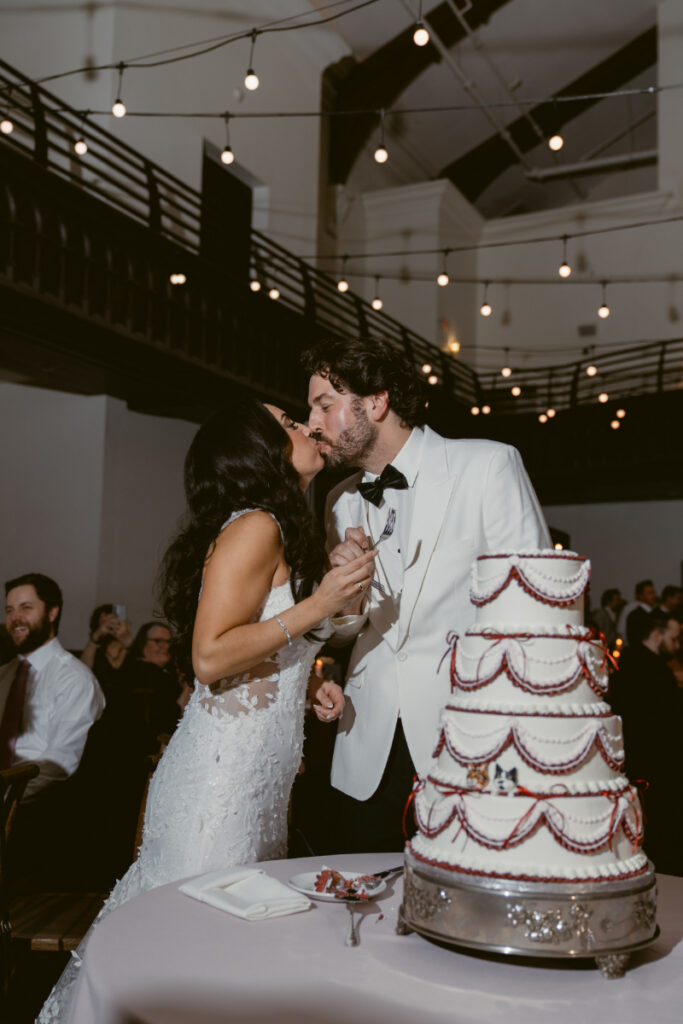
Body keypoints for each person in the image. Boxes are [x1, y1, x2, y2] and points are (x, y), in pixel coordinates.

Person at [38, 394, 375, 1022]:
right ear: (259, 450)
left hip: (253, 790)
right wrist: (322, 602)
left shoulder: (282, 527)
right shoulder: (257, 526)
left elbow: (260, 645)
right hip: (216, 794)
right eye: (287, 423)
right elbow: (210, 657)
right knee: (194, 962)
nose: (305, 426)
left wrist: (306, 684)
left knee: (224, 964)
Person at [303, 336, 550, 853]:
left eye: (325, 405)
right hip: (367, 743)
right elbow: (342, 635)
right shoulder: (338, 502)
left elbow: (537, 609)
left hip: (468, 740)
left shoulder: (487, 465)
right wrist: (345, 597)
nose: (314, 425)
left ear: (376, 402)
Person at [0, 573, 104, 800]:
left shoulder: (75, 679)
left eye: (25, 608)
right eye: (9, 610)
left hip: (33, 807)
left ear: (52, 612)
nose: (15, 618)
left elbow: (59, 764)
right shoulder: (5, 674)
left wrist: (5, 797)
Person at [608, 610, 683, 874]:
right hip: (655, 772)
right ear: (656, 635)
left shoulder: (626, 661)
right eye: (674, 638)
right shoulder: (655, 671)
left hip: (632, 765)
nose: (676, 645)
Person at [80, 604, 133, 689]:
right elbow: (82, 672)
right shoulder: (95, 651)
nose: (111, 626)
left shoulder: (130, 650)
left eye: (113, 620)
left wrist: (127, 638)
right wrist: (96, 637)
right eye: (104, 622)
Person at [621, 579, 658, 647]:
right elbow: (634, 640)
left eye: (654, 592)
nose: (653, 596)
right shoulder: (635, 616)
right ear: (641, 596)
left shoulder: (656, 613)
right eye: (650, 593)